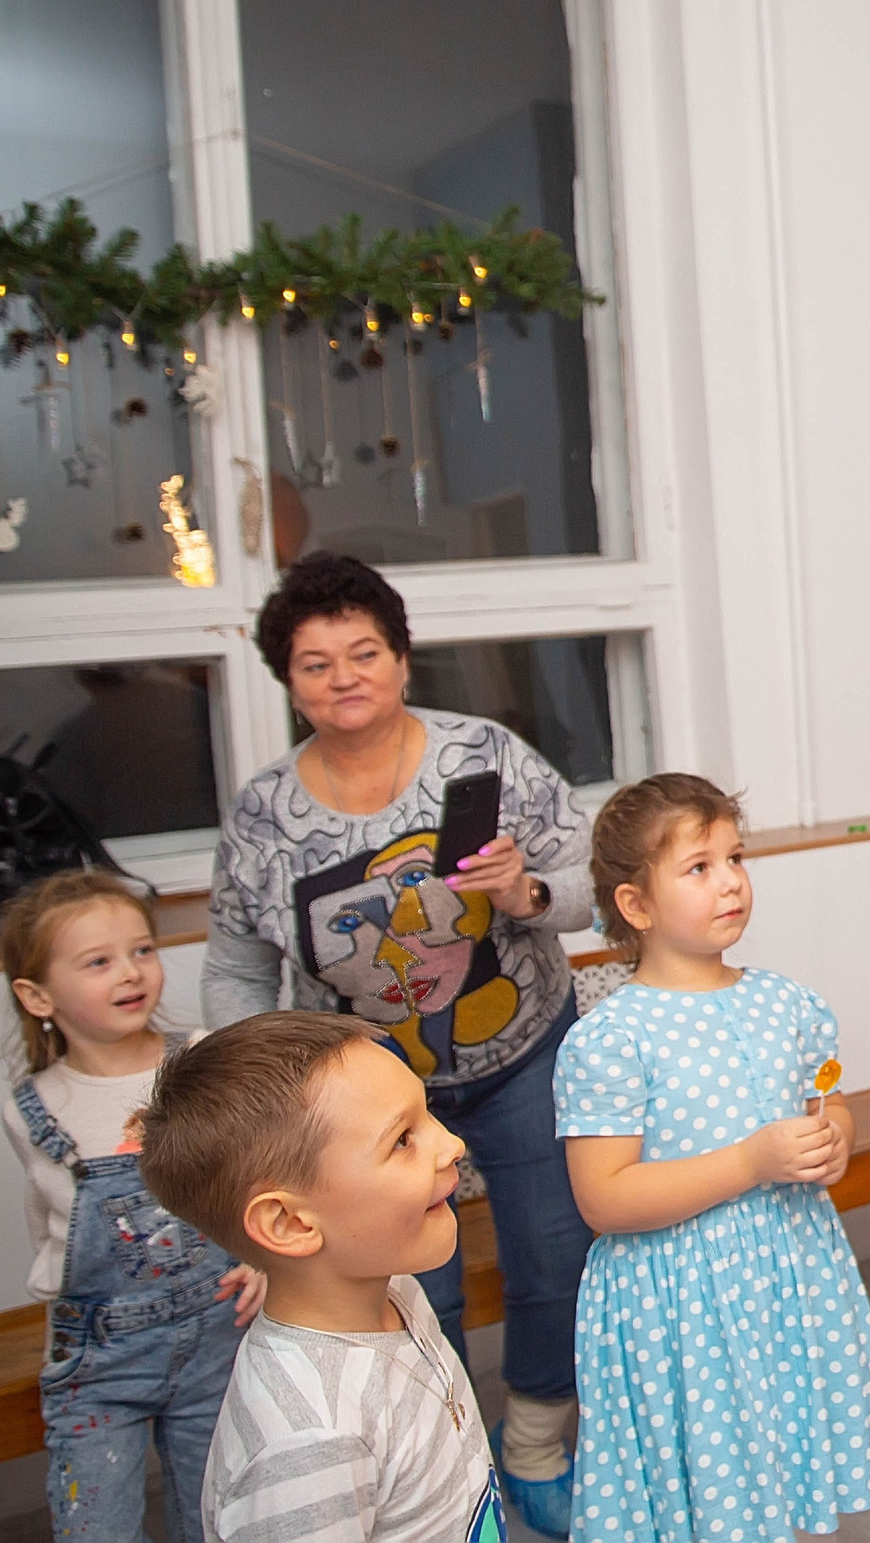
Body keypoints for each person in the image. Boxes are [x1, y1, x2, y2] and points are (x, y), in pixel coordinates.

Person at [202, 552, 593, 1538]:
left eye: (363, 651)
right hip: (363, 1106)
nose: (344, 677)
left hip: (524, 1057)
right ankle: (451, 1474)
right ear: (289, 683)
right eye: (315, 662)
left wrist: (521, 892)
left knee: (555, 1257)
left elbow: (592, 880)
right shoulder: (262, 813)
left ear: (403, 657)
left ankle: (538, 1444)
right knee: (413, 1287)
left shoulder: (483, 755)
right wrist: (241, 1084)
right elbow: (238, 960)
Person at [553, 773, 870, 1539]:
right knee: (712, 1496)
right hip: (681, 1304)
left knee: (776, 1473)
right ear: (636, 905)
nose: (730, 882)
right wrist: (750, 1162)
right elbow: (605, 1198)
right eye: (698, 867)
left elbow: (831, 1100)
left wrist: (834, 1141)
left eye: (736, 858)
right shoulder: (612, 1039)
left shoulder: (786, 1002)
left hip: (785, 1278)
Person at [135, 1010, 501, 1543]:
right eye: (403, 1139)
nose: (451, 1145)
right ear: (289, 1223)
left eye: (428, 1117)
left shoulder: (394, 1289)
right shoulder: (309, 1443)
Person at [0, 871, 266, 1543]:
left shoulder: (201, 1056)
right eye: (98, 961)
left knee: (217, 1518)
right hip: (100, 1359)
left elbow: (249, 1177)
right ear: (37, 996)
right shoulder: (32, 1108)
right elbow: (50, 1227)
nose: (132, 972)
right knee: (95, 1529)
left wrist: (260, 1256)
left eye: (142, 950)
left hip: (217, 1335)